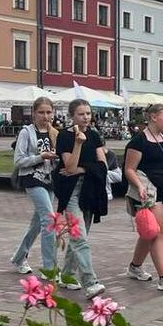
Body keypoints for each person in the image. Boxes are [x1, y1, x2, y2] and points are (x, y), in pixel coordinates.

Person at [123, 104, 163, 291]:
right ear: (153, 117)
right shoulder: (138, 141)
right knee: (159, 230)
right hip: (148, 190)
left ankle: (135, 267)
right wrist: (139, 185)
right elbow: (129, 169)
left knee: (150, 231)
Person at [53, 99, 107, 299]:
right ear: (72, 116)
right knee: (80, 239)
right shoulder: (65, 137)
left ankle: (66, 275)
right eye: (81, 114)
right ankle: (90, 282)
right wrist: (78, 143)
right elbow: (69, 167)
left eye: (88, 113)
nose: (86, 117)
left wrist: (83, 169)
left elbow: (103, 166)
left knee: (79, 239)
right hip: (71, 192)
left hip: (90, 190)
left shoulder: (94, 135)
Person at [10, 97, 59, 276]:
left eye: (48, 112)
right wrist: (40, 157)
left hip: (50, 180)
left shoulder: (54, 133)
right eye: (41, 112)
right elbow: (19, 160)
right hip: (32, 178)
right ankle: (49, 268)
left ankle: (19, 257)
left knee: (37, 223)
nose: (45, 116)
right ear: (34, 113)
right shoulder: (26, 132)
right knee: (49, 220)